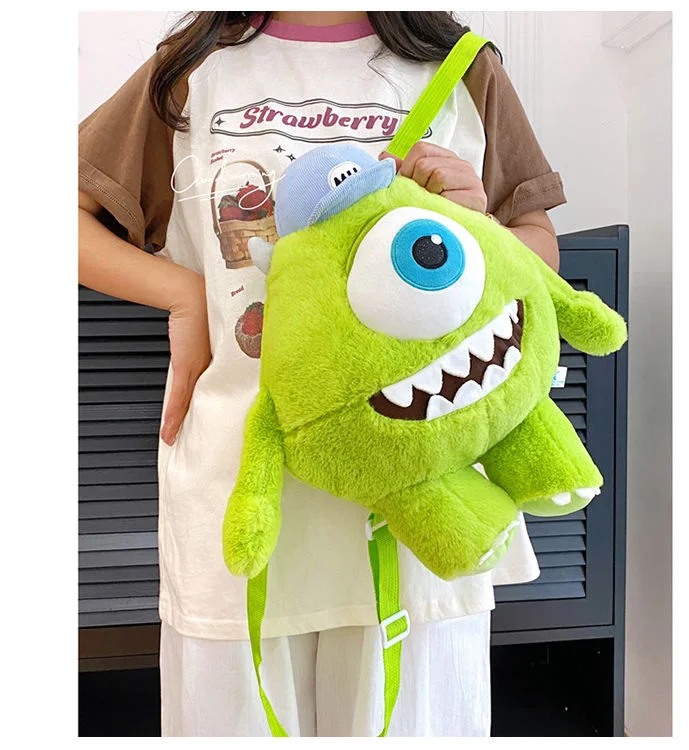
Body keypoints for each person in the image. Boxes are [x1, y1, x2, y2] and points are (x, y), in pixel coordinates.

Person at [78, 10, 566, 737]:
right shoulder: (189, 70)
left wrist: (478, 229)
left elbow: (537, 250)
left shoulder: (463, 66)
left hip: (426, 490)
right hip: (244, 485)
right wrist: (182, 296)